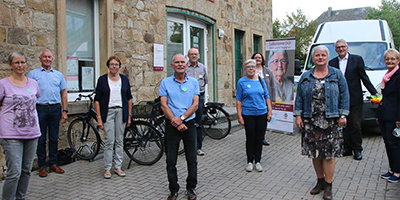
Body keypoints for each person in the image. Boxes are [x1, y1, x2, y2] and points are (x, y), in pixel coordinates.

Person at [295, 45, 349, 200]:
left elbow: (345, 95)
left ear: (327, 57)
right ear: (313, 58)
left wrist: (343, 114)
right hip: (311, 120)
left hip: (331, 120)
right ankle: (319, 182)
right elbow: (299, 97)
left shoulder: (337, 74)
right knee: (315, 153)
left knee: (329, 154)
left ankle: (328, 185)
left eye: (323, 55)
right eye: (317, 55)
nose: (320, 58)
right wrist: (298, 116)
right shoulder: (306, 76)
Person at [329, 39, 379, 160]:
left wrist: (374, 92)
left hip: (354, 98)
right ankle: (347, 148)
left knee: (355, 125)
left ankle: (357, 149)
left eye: (343, 47)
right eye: (338, 47)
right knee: (342, 125)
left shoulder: (357, 59)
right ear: (335, 50)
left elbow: (364, 77)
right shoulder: (332, 62)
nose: (341, 49)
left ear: (347, 47)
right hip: (339, 100)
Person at [0, 52, 41, 200]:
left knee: (26, 170)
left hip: (32, 132)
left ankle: (20, 197)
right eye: (16, 62)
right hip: (10, 134)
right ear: (10, 65)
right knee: (14, 172)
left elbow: (35, 101)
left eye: (22, 62)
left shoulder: (33, 83)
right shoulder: (3, 84)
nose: (20, 65)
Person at [160, 54, 199, 200]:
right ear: (172, 65)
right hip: (171, 125)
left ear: (187, 64)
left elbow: (195, 104)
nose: (180, 64)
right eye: (177, 62)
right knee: (171, 159)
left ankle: (191, 188)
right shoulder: (165, 82)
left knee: (192, 158)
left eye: (182, 62)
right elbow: (164, 105)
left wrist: (182, 119)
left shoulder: (194, 82)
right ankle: (173, 189)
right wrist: (175, 121)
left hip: (189, 124)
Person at [27, 49, 68, 177]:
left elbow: (64, 93)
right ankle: (42, 166)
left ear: (52, 59)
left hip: (55, 108)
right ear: (40, 58)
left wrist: (65, 111)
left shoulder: (58, 75)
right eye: (45, 57)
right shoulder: (33, 74)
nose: (47, 59)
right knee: (41, 138)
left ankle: (53, 163)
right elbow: (29, 93)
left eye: (49, 57)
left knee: (54, 138)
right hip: (40, 108)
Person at [94, 56, 132, 179]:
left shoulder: (124, 79)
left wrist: (129, 116)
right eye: (111, 64)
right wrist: (99, 118)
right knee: (109, 141)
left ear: (119, 66)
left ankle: (118, 167)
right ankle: (107, 168)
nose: (114, 66)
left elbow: (129, 98)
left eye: (116, 64)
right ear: (108, 66)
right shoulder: (102, 80)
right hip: (108, 112)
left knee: (119, 140)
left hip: (121, 111)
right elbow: (97, 100)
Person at [236, 59, 272, 172]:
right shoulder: (241, 82)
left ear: (256, 68)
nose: (251, 68)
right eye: (248, 67)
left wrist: (269, 111)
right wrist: (239, 116)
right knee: (250, 138)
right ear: (245, 69)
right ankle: (250, 161)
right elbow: (238, 100)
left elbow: (267, 96)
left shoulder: (261, 81)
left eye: (253, 66)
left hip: (262, 113)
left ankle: (258, 161)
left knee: (259, 138)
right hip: (248, 114)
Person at [376, 48, 400, 183]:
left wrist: (399, 118)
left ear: (398, 61)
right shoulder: (387, 76)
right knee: (388, 143)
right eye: (387, 59)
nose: (389, 61)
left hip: (393, 117)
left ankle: (397, 172)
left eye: (392, 59)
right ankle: (392, 169)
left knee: (395, 144)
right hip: (384, 114)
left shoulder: (398, 76)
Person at [186, 48, 208, 156]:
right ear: (188, 56)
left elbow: (205, 82)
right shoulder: (185, 67)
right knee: (188, 121)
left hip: (199, 97)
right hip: (187, 98)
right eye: (192, 54)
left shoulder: (202, 67)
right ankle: (188, 147)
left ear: (198, 55)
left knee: (198, 122)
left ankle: (198, 147)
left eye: (195, 54)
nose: (194, 56)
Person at [251, 52, 276, 146]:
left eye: (259, 58)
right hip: (253, 99)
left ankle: (262, 138)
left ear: (262, 60)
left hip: (265, 99)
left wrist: (273, 99)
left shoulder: (268, 71)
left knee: (264, 119)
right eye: (256, 57)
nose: (258, 59)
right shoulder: (249, 70)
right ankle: (254, 137)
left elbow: (272, 86)